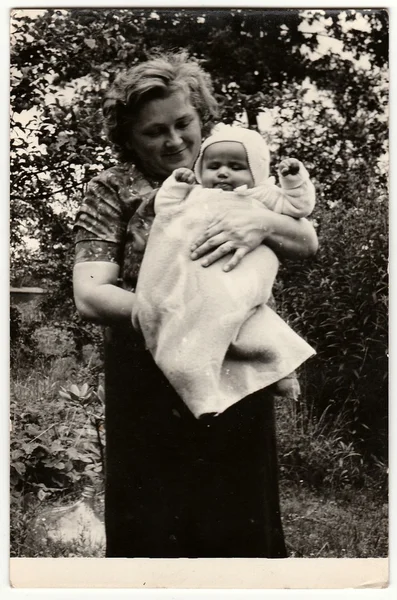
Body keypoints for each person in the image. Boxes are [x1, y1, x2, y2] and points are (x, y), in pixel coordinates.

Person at [73, 50, 318, 558]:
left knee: (238, 525)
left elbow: (305, 242)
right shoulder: (112, 188)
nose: (174, 140)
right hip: (148, 370)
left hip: (234, 368)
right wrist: (177, 317)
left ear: (201, 115)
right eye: (153, 131)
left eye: (183, 123)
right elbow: (92, 293)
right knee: (151, 531)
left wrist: (262, 224)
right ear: (129, 137)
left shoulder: (237, 168)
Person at [132, 125, 316, 419]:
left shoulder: (261, 195)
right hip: (201, 276)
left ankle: (283, 374)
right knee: (202, 338)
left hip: (241, 274)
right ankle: (201, 397)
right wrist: (177, 184)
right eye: (214, 166)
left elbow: (297, 206)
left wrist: (293, 178)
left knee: (258, 325)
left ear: (256, 171)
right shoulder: (194, 194)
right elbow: (165, 208)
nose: (222, 174)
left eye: (235, 167)